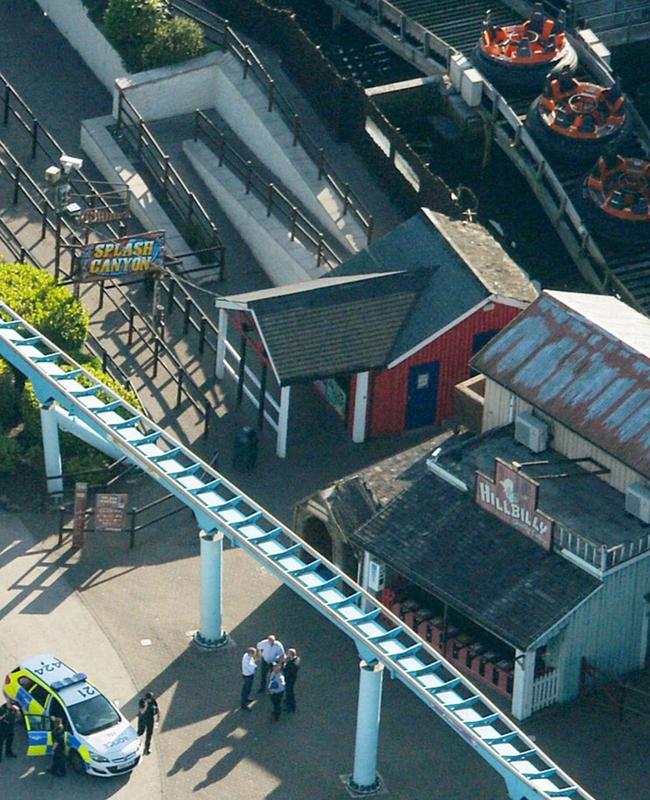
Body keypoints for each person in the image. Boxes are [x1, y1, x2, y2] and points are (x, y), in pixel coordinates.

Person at [283, 649, 301, 713]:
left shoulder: (292, 663)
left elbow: (287, 670)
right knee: (289, 691)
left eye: (288, 653)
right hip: (293, 678)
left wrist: (284, 662)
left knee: (289, 692)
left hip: (290, 679)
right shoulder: (297, 659)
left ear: (290, 655)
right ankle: (288, 701)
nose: (287, 654)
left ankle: (291, 707)